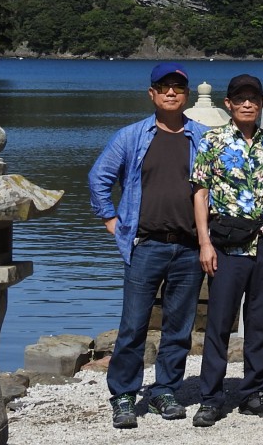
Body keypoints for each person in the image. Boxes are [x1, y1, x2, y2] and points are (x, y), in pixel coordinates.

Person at [88, 62, 208, 429]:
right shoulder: (131, 136)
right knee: (133, 325)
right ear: (152, 94)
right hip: (145, 245)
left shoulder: (202, 137)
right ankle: (124, 394)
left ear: (187, 95)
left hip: (189, 246)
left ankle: (165, 390)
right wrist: (111, 220)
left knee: (179, 328)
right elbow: (99, 178)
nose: (171, 92)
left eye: (178, 87)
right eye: (164, 87)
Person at [189, 73, 263, 427]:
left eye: (253, 98)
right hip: (227, 243)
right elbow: (200, 193)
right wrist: (204, 242)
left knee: (260, 323)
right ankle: (211, 397)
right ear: (228, 104)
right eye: (240, 98)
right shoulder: (212, 141)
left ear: (262, 103)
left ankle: (253, 394)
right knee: (219, 323)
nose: (247, 104)